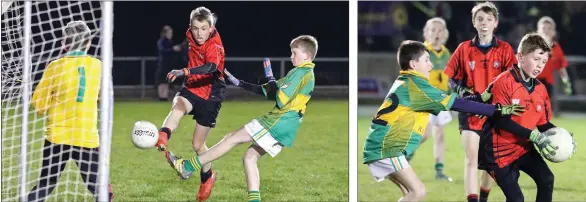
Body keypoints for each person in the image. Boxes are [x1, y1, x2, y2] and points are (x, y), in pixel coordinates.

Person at [362, 40, 524, 202]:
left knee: (409, 194)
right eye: (426, 60)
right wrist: (497, 110)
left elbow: (452, 101)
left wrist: (481, 98)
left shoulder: (407, 82)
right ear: (413, 64)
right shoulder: (418, 87)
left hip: (382, 146)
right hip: (387, 148)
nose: (431, 65)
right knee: (418, 192)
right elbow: (459, 105)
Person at [165, 35, 318, 202]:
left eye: (294, 53)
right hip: (286, 127)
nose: (291, 57)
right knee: (249, 157)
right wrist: (240, 83)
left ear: (307, 56)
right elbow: (269, 91)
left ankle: (187, 167)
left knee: (231, 139)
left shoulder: (302, 73)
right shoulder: (303, 73)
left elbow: (280, 99)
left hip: (277, 122)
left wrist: (271, 78)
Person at [478, 33, 572, 202]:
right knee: (516, 199)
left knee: (546, 179)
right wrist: (533, 135)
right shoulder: (503, 81)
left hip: (522, 147)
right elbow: (501, 120)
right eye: (536, 59)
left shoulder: (540, 89)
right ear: (520, 57)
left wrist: (562, 135)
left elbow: (543, 124)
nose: (540, 66)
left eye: (544, 62)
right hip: (498, 151)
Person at [28, 20, 114, 202]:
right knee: (98, 186)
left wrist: (48, 95)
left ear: (64, 44)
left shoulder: (54, 67)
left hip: (57, 137)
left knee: (46, 184)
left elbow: (39, 105)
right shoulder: (97, 66)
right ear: (89, 42)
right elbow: (103, 97)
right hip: (85, 137)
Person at [443, 2, 517, 201]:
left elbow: (514, 78)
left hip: (495, 112)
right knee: (471, 159)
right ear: (474, 23)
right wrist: (460, 89)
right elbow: (450, 77)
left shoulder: (505, 50)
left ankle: (483, 197)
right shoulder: (463, 49)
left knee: (491, 164)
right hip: (470, 110)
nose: (484, 23)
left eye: (489, 19)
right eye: (480, 19)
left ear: (496, 23)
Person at [156, 7, 225, 202]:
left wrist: (184, 71)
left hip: (212, 93)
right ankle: (163, 135)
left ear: (211, 28)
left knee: (198, 145)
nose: (199, 33)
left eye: (204, 29)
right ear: (190, 28)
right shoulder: (190, 34)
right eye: (196, 28)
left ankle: (207, 177)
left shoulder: (215, 45)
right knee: (178, 104)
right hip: (193, 85)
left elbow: (211, 67)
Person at [412, 17, 453, 182]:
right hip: (425, 98)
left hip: (440, 99)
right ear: (426, 33)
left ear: (445, 34)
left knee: (440, 135)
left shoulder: (446, 53)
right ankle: (402, 157)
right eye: (433, 30)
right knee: (424, 135)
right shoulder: (421, 51)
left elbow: (449, 75)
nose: (437, 33)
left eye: (440, 30)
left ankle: (439, 171)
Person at [535, 16, 573, 97]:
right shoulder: (531, 45)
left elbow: (561, 67)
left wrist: (566, 83)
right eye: (544, 28)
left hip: (546, 84)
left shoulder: (556, 47)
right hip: (531, 82)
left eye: (549, 28)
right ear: (538, 31)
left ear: (554, 32)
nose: (546, 31)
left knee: (545, 108)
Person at [156, 25, 182, 101]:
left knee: (167, 81)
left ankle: (165, 97)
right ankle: (161, 97)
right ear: (165, 33)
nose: (171, 34)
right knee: (161, 81)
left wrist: (175, 49)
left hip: (168, 64)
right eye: (169, 33)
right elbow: (163, 51)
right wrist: (173, 49)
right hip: (162, 64)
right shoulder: (161, 41)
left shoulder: (169, 41)